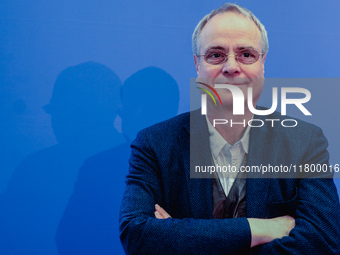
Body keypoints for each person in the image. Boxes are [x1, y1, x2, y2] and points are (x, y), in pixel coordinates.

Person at [119, 3, 340, 255]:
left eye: (246, 54)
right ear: (197, 65)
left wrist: (182, 241)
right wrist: (259, 230)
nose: (231, 67)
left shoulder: (305, 142)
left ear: (263, 63)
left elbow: (324, 242)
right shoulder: (155, 144)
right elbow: (137, 236)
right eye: (216, 55)